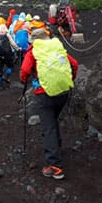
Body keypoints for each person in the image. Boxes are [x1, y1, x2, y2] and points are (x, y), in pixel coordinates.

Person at [19, 29, 79, 180]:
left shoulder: (34, 51)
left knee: (49, 126)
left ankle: (55, 166)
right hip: (63, 91)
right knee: (53, 121)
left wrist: (24, 79)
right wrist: (69, 79)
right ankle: (56, 147)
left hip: (44, 94)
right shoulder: (57, 47)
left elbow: (25, 70)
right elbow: (74, 64)